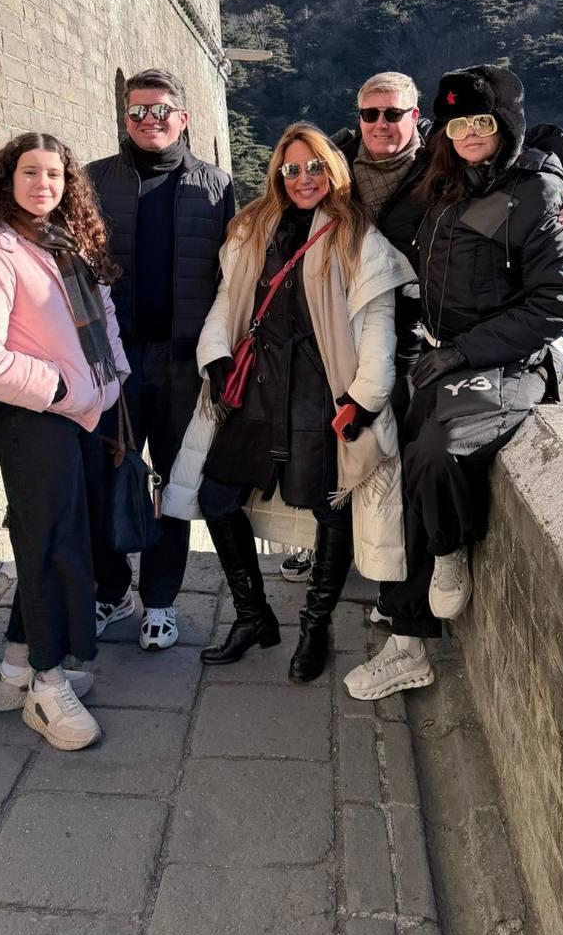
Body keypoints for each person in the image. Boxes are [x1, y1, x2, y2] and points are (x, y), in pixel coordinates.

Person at [344, 65, 563, 701]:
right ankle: (407, 641)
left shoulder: (538, 194)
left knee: (438, 452)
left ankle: (448, 554)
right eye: (458, 124)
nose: (470, 133)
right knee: (401, 472)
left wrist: (464, 352)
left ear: (505, 124)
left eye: (482, 121)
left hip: (505, 364)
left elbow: (559, 300)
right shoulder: (444, 179)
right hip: (437, 354)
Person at [163, 123, 415, 683]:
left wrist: (364, 398)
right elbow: (229, 298)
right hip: (255, 386)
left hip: (318, 391)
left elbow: (378, 323)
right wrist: (216, 355)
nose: (304, 178)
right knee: (217, 496)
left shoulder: (357, 236)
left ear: (333, 170)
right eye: (292, 169)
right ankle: (252, 615)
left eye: (315, 166)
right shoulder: (254, 228)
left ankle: (314, 627)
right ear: (279, 174)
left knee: (330, 507)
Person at [0, 134, 129, 751]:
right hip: (34, 418)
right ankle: (48, 688)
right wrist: (60, 388)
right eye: (30, 172)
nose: (43, 184)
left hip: (82, 413)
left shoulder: (66, 245)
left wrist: (112, 380)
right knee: (53, 548)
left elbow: (105, 318)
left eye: (54, 174)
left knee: (52, 540)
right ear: (8, 179)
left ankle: (14, 669)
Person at [86, 69, 235, 651]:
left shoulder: (215, 187)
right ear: (125, 118)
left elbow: (230, 278)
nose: (149, 120)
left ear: (184, 118)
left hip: (182, 363)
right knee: (108, 475)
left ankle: (161, 601)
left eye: (161, 110)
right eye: (138, 112)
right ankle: (112, 589)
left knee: (175, 483)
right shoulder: (95, 180)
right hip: (114, 360)